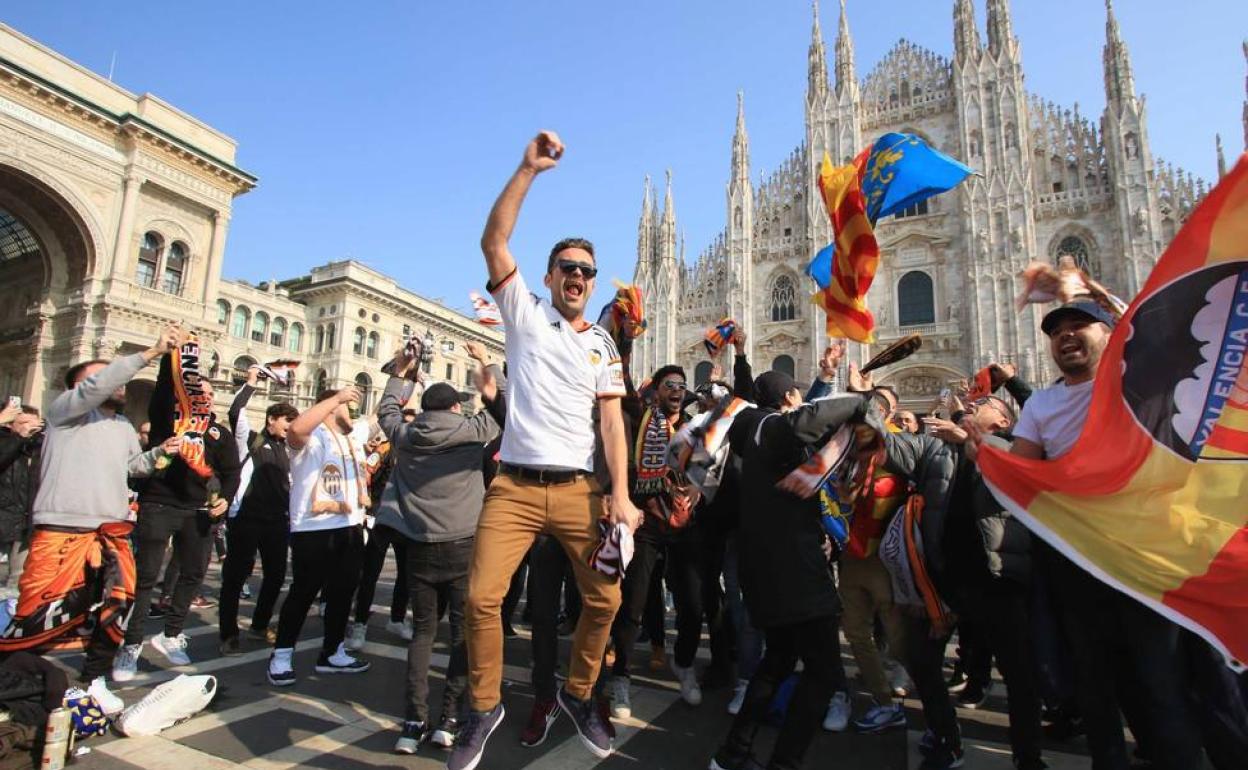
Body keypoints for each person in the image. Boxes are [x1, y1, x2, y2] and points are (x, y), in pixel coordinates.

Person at [450, 130, 642, 770]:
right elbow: (493, 241)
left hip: (580, 490)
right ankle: (483, 707)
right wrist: (527, 169)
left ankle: (579, 692)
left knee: (606, 600)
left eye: (587, 270)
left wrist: (620, 495)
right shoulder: (525, 314)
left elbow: (611, 424)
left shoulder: (603, 345)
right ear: (550, 276)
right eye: (568, 268)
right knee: (481, 598)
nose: (578, 277)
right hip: (514, 486)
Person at [968, 299, 1206, 770]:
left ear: (1111, 334)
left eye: (1081, 325)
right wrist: (987, 455)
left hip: (1140, 555)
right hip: (1076, 559)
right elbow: (1024, 467)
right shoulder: (1043, 404)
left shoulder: (1134, 383)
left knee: (1159, 681)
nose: (1066, 336)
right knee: (1091, 678)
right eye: (1057, 331)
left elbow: (1168, 340)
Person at [0, 325, 181, 713]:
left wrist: (162, 453)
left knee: (115, 608)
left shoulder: (122, 426)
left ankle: (94, 678)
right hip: (62, 529)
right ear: (80, 386)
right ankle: (15, 680)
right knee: (39, 613)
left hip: (111, 532)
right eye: (105, 376)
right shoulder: (64, 412)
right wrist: (150, 353)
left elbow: (133, 467)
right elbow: (95, 388)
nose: (117, 383)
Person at [709, 371, 862, 770]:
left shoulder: (754, 432)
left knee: (777, 660)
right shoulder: (767, 426)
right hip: (794, 570)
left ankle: (731, 754)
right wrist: (861, 400)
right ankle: (783, 763)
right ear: (789, 396)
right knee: (823, 672)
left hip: (772, 565)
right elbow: (804, 423)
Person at [379, 345, 500, 754]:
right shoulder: (471, 432)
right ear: (453, 407)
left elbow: (387, 410)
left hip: (419, 547)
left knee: (423, 633)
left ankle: (413, 721)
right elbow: (501, 406)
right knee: (462, 633)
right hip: (464, 545)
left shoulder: (406, 435)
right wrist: (486, 362)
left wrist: (400, 373)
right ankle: (448, 719)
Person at [925, 389, 1045, 770]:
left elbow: (1014, 465)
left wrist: (970, 438)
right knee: (924, 661)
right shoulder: (945, 451)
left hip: (998, 579)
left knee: (1019, 673)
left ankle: (1028, 757)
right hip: (952, 577)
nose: (975, 405)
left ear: (1004, 421)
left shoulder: (1015, 447)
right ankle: (945, 738)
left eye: (986, 404)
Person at [115, 332, 241, 679]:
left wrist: (225, 499)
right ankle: (130, 644)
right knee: (146, 577)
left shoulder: (219, 434)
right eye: (200, 392)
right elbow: (163, 391)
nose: (206, 398)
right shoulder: (167, 422)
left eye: (211, 395)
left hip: (199, 512)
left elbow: (232, 473)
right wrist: (170, 356)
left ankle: (171, 634)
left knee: (193, 574)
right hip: (159, 504)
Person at [608, 363, 703, 719]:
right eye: (669, 385)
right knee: (633, 603)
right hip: (647, 522)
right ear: (657, 391)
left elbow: (707, 466)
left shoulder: (695, 427)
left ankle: (684, 663)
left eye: (681, 385)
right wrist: (623, 339)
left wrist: (698, 486)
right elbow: (624, 383)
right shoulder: (641, 419)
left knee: (693, 603)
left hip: (684, 524)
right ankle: (621, 677)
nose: (676, 390)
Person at [267, 386, 372, 686]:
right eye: (346, 406)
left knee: (342, 593)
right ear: (329, 407)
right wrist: (335, 398)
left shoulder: (352, 438)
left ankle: (332, 652)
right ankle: (282, 655)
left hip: (350, 525)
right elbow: (296, 430)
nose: (352, 410)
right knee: (303, 593)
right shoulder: (311, 440)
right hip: (314, 528)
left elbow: (383, 414)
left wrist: (405, 374)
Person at [217, 366, 299, 654]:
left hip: (276, 522)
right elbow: (236, 412)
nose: (290, 426)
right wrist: (251, 382)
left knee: (276, 576)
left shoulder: (289, 450)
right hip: (247, 520)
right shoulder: (250, 440)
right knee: (235, 578)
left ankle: (259, 626)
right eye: (287, 420)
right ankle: (228, 635)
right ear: (271, 420)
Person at [346, 428, 413, 652]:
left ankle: (397, 618)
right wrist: (366, 502)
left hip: (406, 521)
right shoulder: (386, 449)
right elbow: (366, 474)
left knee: (406, 574)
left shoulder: (422, 451)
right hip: (381, 518)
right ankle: (360, 624)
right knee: (370, 574)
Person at [0, 406, 42, 596]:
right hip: (4, 521)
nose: (29, 428)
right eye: (23, 423)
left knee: (16, 585)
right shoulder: (5, 442)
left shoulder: (40, 448)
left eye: (33, 423)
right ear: (10, 425)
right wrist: (19, 438)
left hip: (26, 527)